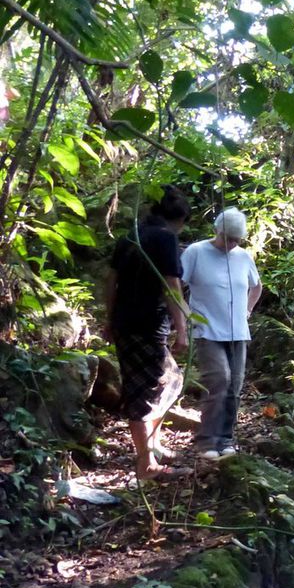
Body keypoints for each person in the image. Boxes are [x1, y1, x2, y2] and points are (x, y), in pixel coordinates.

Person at [106, 185, 191, 480]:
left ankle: (151, 445)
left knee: (171, 380)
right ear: (178, 219)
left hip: (124, 323)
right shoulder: (165, 238)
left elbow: (111, 281)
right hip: (147, 326)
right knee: (143, 393)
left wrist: (109, 319)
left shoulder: (130, 236)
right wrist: (181, 330)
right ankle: (146, 466)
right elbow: (172, 285)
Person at [181, 207, 262, 460]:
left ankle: (226, 438)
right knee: (219, 381)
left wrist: (248, 309)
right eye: (228, 238)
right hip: (207, 329)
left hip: (238, 331)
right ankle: (207, 441)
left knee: (235, 386)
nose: (232, 244)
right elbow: (175, 286)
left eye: (237, 239)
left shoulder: (243, 257)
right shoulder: (196, 252)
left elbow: (256, 286)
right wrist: (186, 316)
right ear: (217, 231)